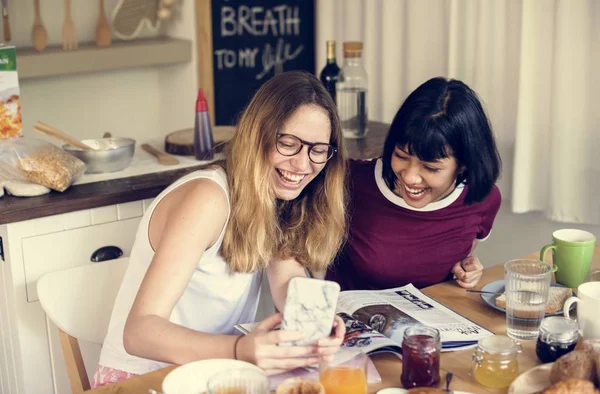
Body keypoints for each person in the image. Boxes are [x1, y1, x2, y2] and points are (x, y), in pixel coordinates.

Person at [92, 71, 348, 387]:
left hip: (214, 372)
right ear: (258, 135)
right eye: (288, 143)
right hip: (145, 378)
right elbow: (139, 332)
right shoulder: (209, 198)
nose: (303, 164)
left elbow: (286, 281)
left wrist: (315, 318)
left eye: (318, 149)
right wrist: (241, 349)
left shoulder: (281, 194)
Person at [326, 77, 502, 291]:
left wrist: (467, 270)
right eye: (401, 155)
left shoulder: (481, 199)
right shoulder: (352, 182)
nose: (410, 177)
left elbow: (458, 259)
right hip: (350, 319)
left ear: (464, 165)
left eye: (430, 167)